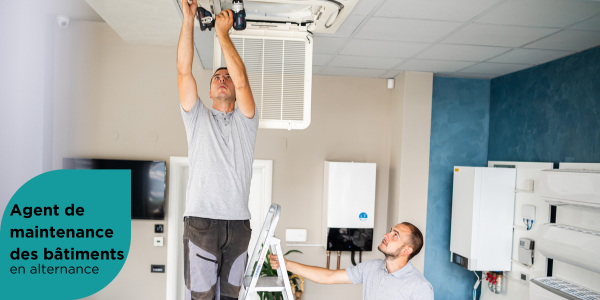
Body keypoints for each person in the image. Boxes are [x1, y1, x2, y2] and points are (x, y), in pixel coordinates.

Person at [177, 0, 258, 299]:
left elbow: (244, 82)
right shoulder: (197, 117)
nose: (222, 80)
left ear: (234, 89)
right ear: (209, 92)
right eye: (216, 78)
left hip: (238, 226)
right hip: (201, 223)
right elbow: (184, 73)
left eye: (227, 78)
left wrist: (224, 35)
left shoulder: (247, 120)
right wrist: (188, 21)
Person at [269, 222, 434, 300]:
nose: (386, 235)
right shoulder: (372, 268)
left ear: (406, 250)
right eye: (390, 231)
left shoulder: (420, 287)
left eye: (395, 235)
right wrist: (287, 264)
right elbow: (329, 277)